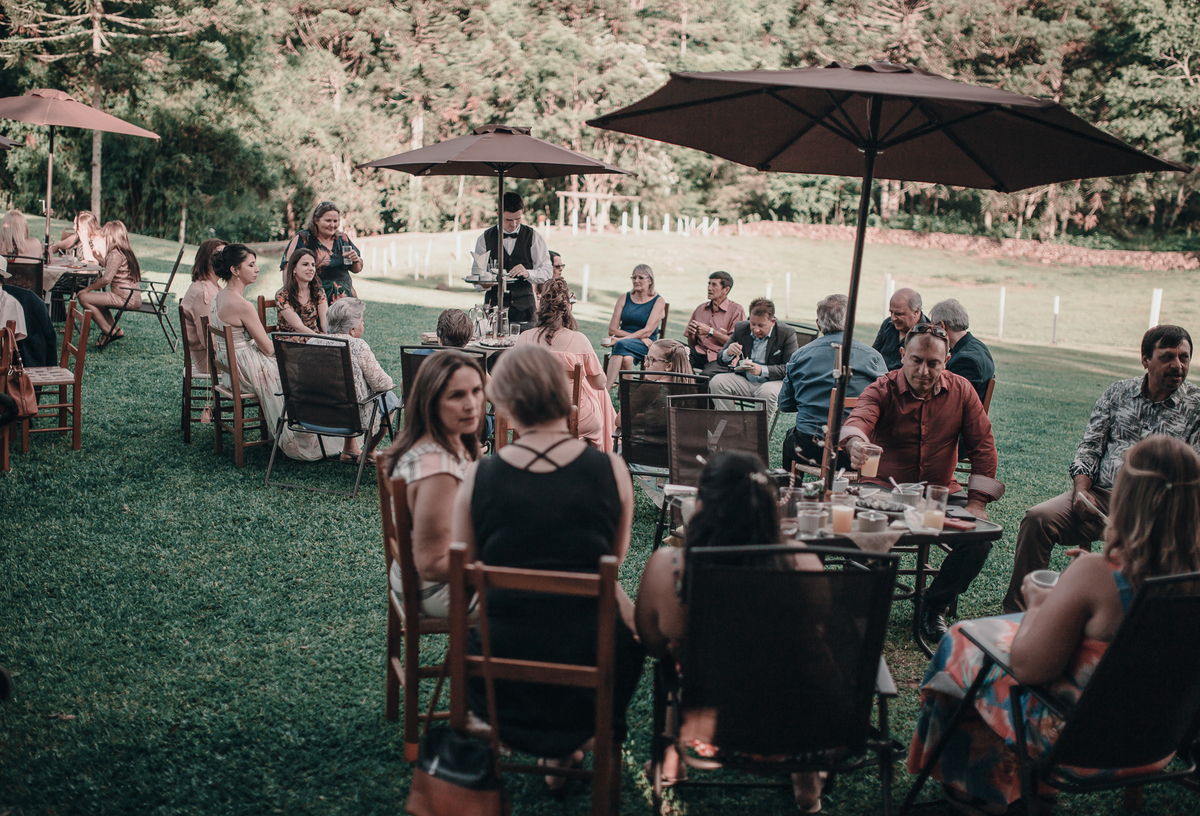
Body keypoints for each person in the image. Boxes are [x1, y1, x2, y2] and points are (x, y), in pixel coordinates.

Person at [908, 434, 1200, 815]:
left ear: (1129, 498)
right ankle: (1031, 792)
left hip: (1075, 746)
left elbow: (1031, 668)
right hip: (1157, 744)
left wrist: (1040, 603)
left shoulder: (1097, 573)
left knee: (963, 644)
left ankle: (973, 796)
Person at [450, 344, 644, 784]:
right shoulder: (612, 471)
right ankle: (567, 749)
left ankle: (551, 755)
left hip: (500, 680)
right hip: (588, 677)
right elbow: (613, 561)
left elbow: (464, 567)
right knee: (626, 630)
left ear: (507, 404)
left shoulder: (479, 476)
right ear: (562, 397)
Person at [635, 451, 827, 811]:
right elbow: (820, 634)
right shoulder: (803, 561)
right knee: (800, 660)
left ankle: (672, 763)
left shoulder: (670, 567)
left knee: (676, 662)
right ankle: (807, 783)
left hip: (708, 727)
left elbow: (651, 644)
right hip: (790, 725)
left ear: (703, 504)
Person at [1002, 324, 1200, 613]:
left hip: (1158, 509)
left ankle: (1132, 617)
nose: (1178, 365)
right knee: (1037, 519)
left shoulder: (1196, 406)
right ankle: (1017, 613)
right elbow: (1090, 447)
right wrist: (1082, 491)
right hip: (1101, 499)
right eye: (1168, 356)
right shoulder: (1118, 393)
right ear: (1145, 359)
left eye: (1184, 357)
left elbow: (1192, 473)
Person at [841, 324, 1004, 643]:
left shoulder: (962, 391)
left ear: (947, 360)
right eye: (917, 360)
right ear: (902, 355)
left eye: (934, 363)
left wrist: (977, 503)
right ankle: (861, 606)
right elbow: (858, 420)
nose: (924, 370)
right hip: (882, 490)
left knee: (980, 539)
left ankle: (933, 606)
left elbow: (983, 445)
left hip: (941, 493)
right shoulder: (882, 387)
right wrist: (855, 443)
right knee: (863, 529)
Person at [383, 349, 485, 618]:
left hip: (413, 576)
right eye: (457, 395)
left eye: (476, 391)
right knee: (546, 597)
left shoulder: (434, 441)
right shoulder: (440, 473)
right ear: (431, 402)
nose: (472, 404)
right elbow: (432, 564)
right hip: (435, 590)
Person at [209, 244, 323, 462]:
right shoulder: (243, 305)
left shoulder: (219, 296)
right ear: (235, 270)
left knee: (289, 369)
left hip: (229, 367)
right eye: (251, 265)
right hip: (243, 368)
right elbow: (268, 348)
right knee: (294, 376)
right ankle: (304, 438)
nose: (257, 269)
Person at [778, 294, 887, 473]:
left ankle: (791, 492)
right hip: (853, 451)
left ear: (819, 325)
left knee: (791, 439)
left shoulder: (800, 356)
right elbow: (886, 401)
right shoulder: (872, 357)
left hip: (811, 447)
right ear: (851, 322)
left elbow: (785, 404)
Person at [516, 278, 616, 451]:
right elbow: (600, 384)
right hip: (574, 418)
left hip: (532, 415)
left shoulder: (524, 337)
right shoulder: (579, 340)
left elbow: (513, 378)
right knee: (596, 400)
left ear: (541, 307)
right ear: (567, 308)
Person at [320, 297, 398, 462]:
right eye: (362, 321)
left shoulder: (314, 342)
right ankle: (369, 451)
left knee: (348, 392)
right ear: (352, 330)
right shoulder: (358, 346)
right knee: (389, 399)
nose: (364, 325)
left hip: (315, 414)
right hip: (350, 416)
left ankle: (349, 449)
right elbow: (383, 384)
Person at [709, 297, 799, 419]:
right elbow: (721, 358)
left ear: (772, 321)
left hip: (773, 382)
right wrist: (728, 353)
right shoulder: (741, 328)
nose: (756, 329)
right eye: (753, 323)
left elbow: (790, 368)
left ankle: (756, 434)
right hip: (745, 380)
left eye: (761, 325)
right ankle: (730, 427)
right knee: (717, 381)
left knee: (767, 392)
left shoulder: (787, 333)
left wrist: (762, 370)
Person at [471, 191, 551, 326]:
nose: (514, 224)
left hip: (525, 311)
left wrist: (528, 273)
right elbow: (476, 277)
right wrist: (485, 283)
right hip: (493, 311)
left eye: (518, 219)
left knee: (526, 347)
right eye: (508, 220)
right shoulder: (484, 239)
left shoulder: (533, 237)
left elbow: (547, 271)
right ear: (498, 215)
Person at [279, 201, 363, 299]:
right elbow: (287, 267)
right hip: (315, 300)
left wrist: (356, 260)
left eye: (335, 221)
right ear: (316, 220)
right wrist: (292, 295)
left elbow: (357, 269)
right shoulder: (304, 238)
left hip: (346, 299)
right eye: (328, 220)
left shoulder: (342, 239)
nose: (332, 225)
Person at [602, 263, 667, 390]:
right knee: (627, 359)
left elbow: (647, 331)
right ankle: (627, 402)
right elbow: (612, 329)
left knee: (620, 345)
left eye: (640, 278)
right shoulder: (624, 298)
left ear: (650, 281)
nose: (636, 281)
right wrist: (639, 337)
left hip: (647, 345)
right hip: (636, 341)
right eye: (634, 277)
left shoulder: (658, 301)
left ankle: (605, 391)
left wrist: (620, 339)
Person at [76, 220, 141, 348]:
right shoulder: (126, 251)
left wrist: (87, 289)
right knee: (96, 300)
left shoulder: (115, 253)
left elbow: (106, 280)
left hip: (124, 297)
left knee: (83, 297)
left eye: (105, 236)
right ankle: (116, 329)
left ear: (110, 237)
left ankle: (108, 331)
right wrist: (101, 260)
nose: (105, 238)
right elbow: (117, 271)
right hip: (133, 297)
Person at [929, 298, 995, 403]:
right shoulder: (979, 346)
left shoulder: (965, 360)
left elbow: (950, 400)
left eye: (933, 328)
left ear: (942, 326)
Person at [180, 238, 226, 375]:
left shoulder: (214, 286)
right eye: (218, 254)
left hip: (221, 354)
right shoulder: (203, 293)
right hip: (209, 361)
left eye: (225, 255)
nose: (222, 259)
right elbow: (210, 341)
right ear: (205, 259)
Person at [685, 271, 745, 376]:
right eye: (709, 284)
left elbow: (736, 343)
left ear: (726, 290)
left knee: (705, 375)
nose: (709, 288)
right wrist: (691, 333)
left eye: (714, 285)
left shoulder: (736, 310)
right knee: (674, 351)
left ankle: (696, 387)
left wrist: (710, 331)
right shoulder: (700, 309)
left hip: (721, 357)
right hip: (700, 352)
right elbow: (692, 344)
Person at [873, 287, 927, 371]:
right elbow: (873, 355)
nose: (893, 318)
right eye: (891, 312)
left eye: (899, 314)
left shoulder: (928, 335)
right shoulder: (888, 324)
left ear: (916, 312)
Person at [275, 248, 328, 335]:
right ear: (294, 269)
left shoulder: (318, 291)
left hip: (315, 340)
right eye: (305, 264)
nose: (311, 269)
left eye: (313, 265)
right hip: (290, 342)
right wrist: (322, 340)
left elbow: (325, 322)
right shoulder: (282, 295)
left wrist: (332, 339)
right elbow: (298, 326)